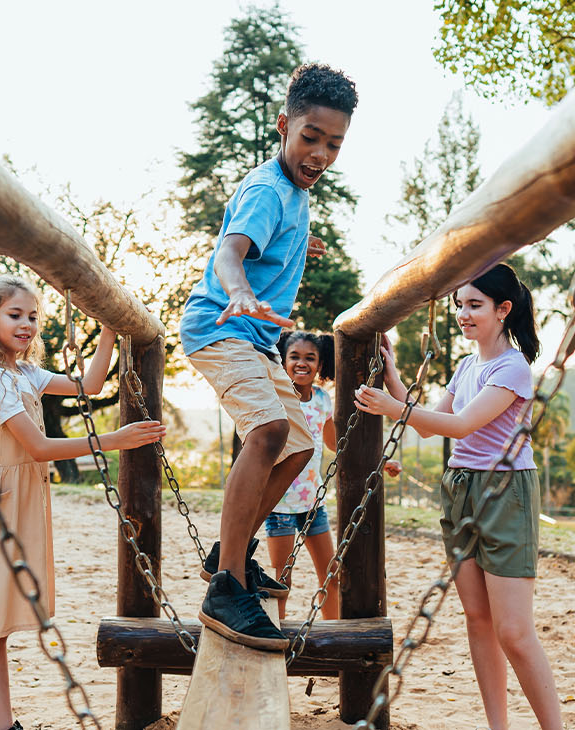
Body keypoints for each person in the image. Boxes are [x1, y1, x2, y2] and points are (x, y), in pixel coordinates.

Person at [0, 275, 165, 730]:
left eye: (33, 317)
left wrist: (109, 329)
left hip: (13, 503)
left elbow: (90, 385)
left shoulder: (22, 373)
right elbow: (37, 447)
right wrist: (111, 440)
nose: (26, 325)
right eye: (14, 315)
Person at [179, 63, 359, 650]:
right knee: (269, 430)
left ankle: (226, 554)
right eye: (310, 137)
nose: (320, 153)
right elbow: (230, 252)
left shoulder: (293, 196)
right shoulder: (266, 189)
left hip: (254, 340)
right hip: (220, 326)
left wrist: (296, 241)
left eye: (333, 143)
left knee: (301, 443)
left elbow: (266, 235)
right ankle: (226, 587)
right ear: (284, 125)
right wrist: (237, 290)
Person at [354, 263, 562, 730]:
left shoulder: (513, 368)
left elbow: (463, 424)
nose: (464, 314)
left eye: (475, 305)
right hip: (460, 487)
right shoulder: (468, 365)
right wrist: (392, 378)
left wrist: (393, 408)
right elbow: (430, 425)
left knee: (514, 630)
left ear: (503, 310)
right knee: (477, 619)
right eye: (460, 306)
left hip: (504, 492)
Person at [266, 330, 401, 620]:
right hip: (279, 504)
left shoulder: (322, 400)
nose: (302, 363)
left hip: (313, 503)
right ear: (283, 360)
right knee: (282, 579)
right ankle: (276, 634)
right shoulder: (276, 397)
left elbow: (336, 444)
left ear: (320, 363)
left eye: (310, 358)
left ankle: (332, 630)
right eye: (295, 357)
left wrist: (380, 460)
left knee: (331, 575)